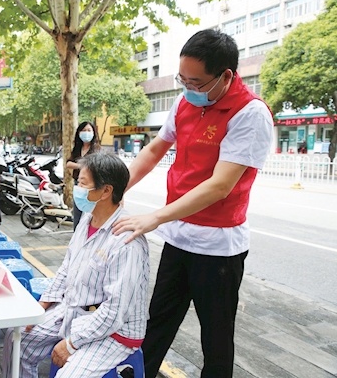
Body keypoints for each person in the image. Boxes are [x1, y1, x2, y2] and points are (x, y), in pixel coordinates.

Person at [112, 29, 274, 378]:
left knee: (216, 337)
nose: (188, 88)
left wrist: (156, 217)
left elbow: (220, 185)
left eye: (196, 82)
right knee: (157, 321)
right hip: (179, 237)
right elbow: (154, 150)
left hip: (218, 246)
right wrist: (119, 188)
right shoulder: (185, 102)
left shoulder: (250, 113)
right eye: (182, 79)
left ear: (226, 76)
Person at [1, 153, 149, 378]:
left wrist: (71, 344)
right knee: (17, 338)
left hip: (114, 331)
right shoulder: (87, 220)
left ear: (105, 191)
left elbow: (115, 311)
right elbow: (67, 267)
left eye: (82, 183)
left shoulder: (126, 240)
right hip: (75, 309)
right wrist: (42, 305)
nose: (77, 189)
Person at [66, 121, 100, 230]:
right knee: (78, 213)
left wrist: (79, 165)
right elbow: (68, 163)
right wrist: (82, 165)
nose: (86, 133)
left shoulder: (97, 149)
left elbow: (96, 166)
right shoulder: (77, 148)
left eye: (89, 130)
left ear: (94, 133)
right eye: (84, 130)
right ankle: (76, 235)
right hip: (79, 184)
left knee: (91, 213)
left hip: (92, 186)